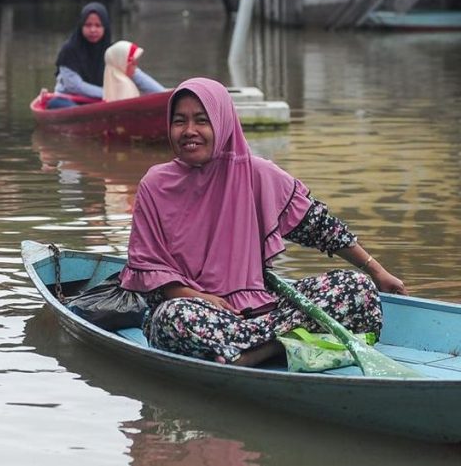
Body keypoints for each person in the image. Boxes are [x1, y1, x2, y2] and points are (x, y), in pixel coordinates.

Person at [119, 77, 406, 367]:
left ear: (222, 122)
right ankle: (284, 343)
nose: (189, 131)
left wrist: (377, 271)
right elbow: (150, 271)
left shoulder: (258, 174)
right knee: (172, 319)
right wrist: (200, 297)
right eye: (180, 121)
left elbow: (321, 227)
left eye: (201, 121)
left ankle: (257, 352)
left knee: (357, 288)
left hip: (261, 309)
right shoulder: (154, 185)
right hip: (197, 311)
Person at [50, 3, 165, 108]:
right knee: (61, 105)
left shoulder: (111, 52)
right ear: (81, 26)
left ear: (105, 27)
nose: (93, 30)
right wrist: (109, 94)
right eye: (88, 25)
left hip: (102, 100)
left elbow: (134, 73)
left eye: (98, 25)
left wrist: (164, 94)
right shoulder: (69, 50)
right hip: (70, 99)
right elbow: (74, 86)